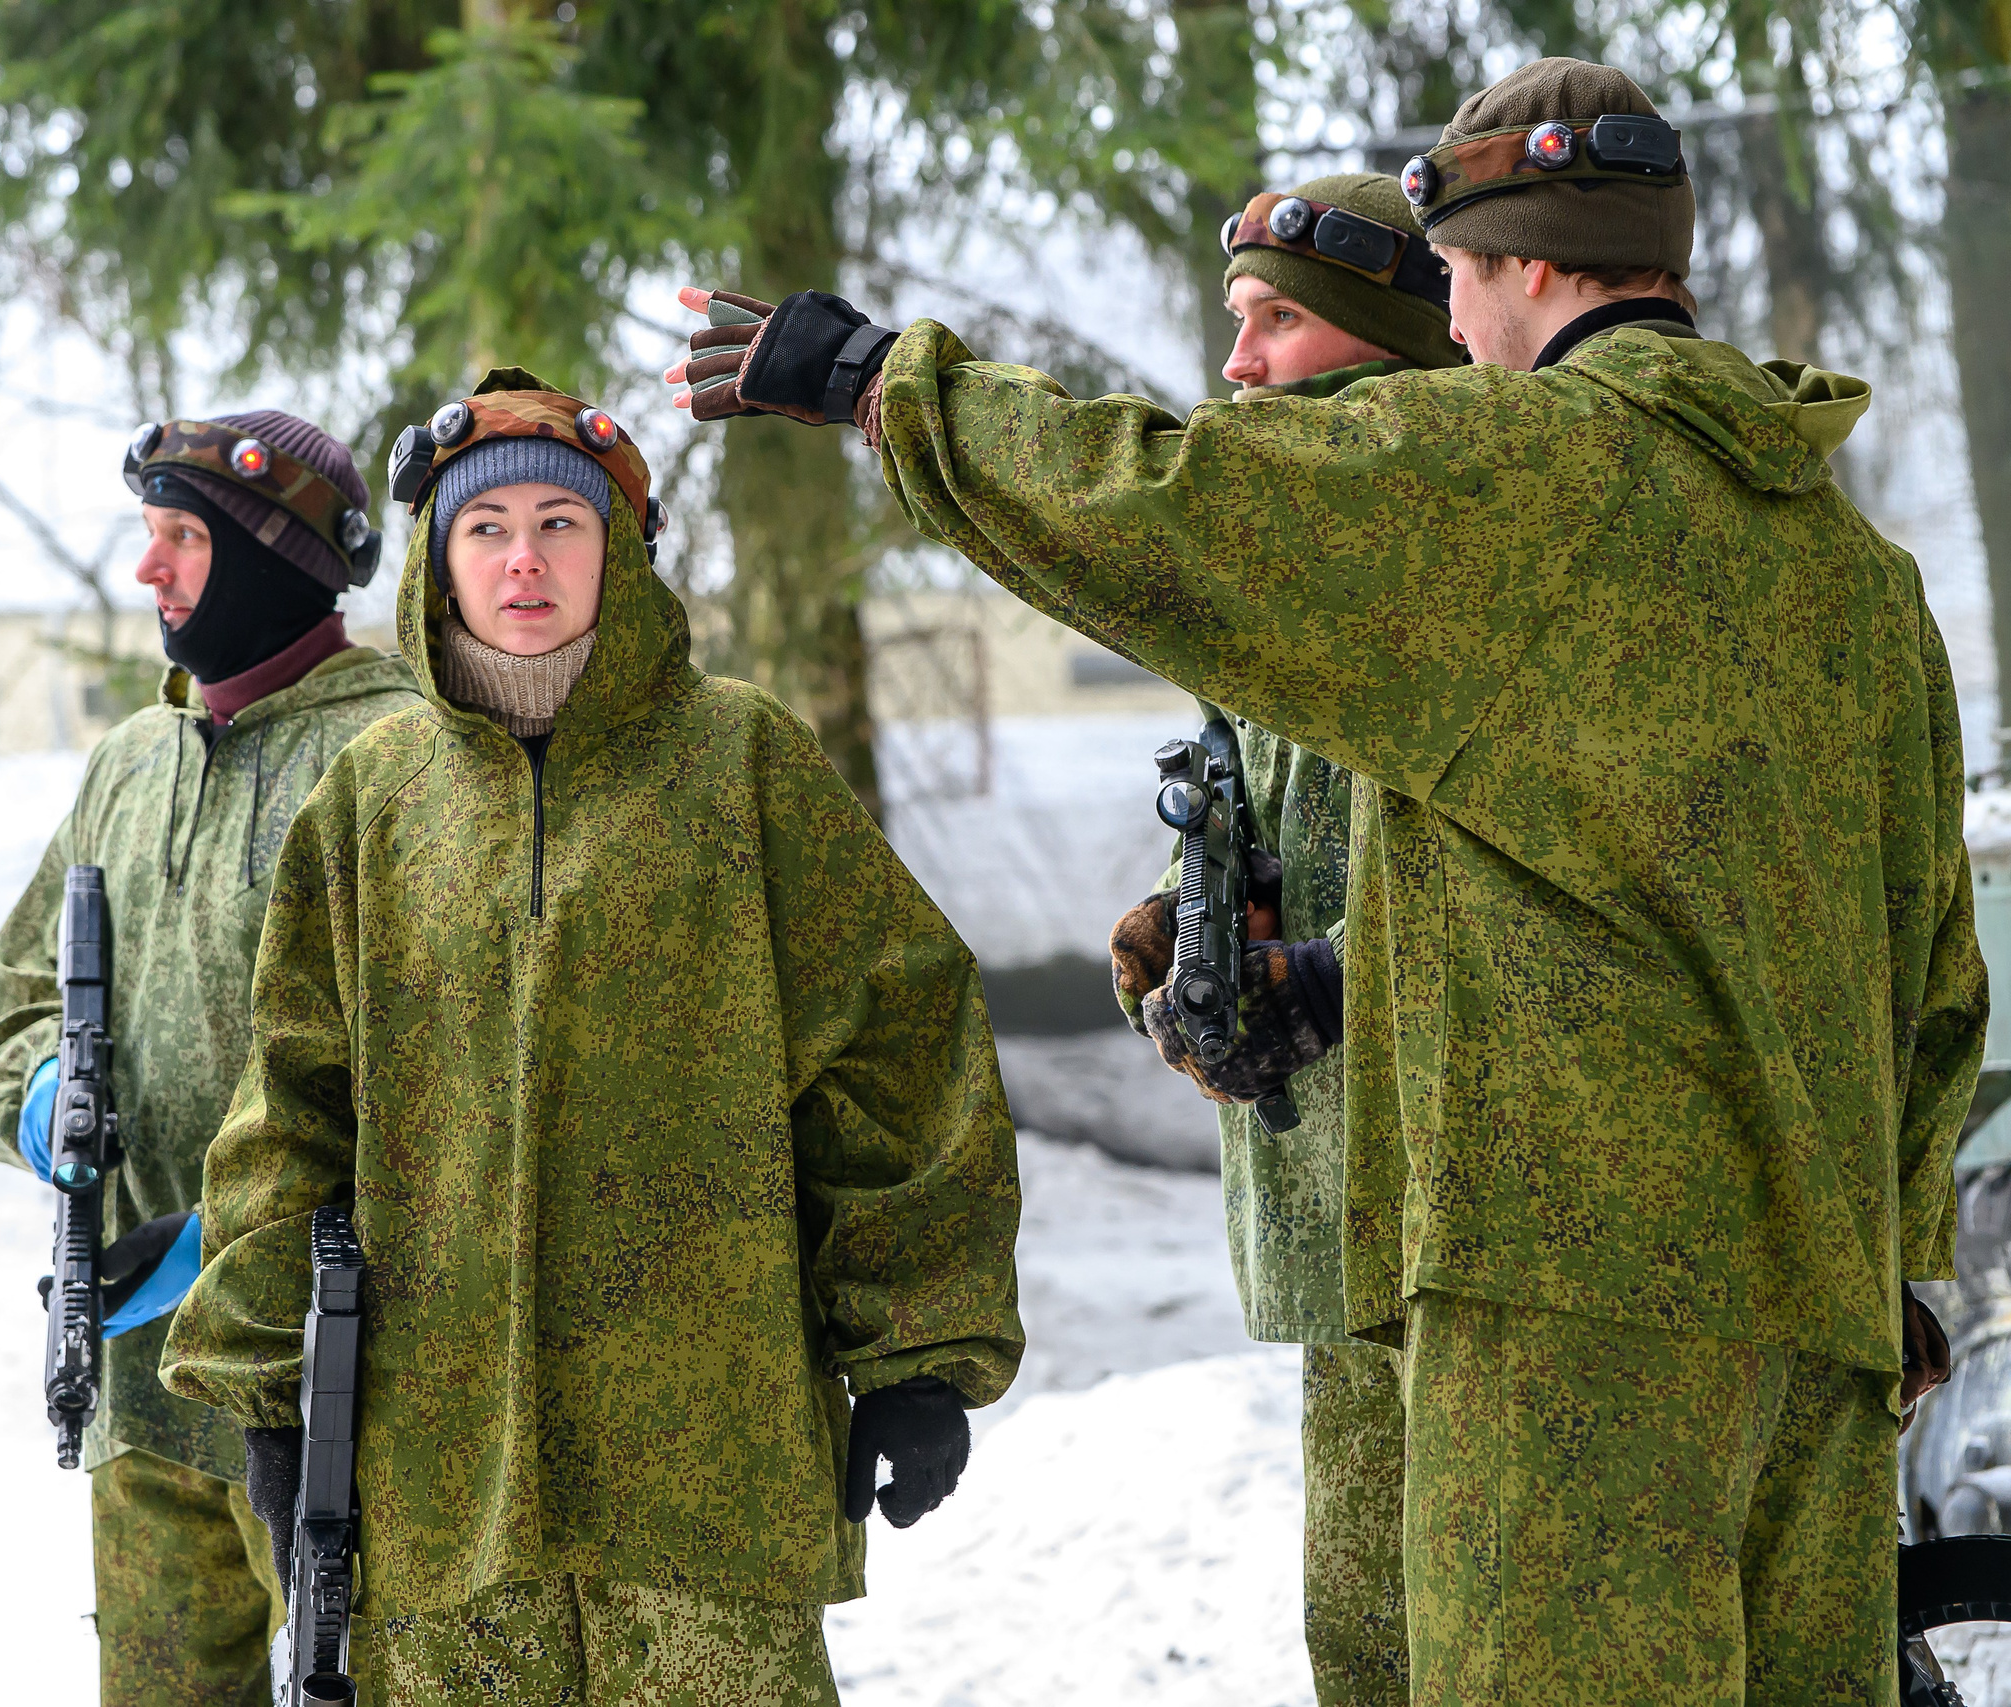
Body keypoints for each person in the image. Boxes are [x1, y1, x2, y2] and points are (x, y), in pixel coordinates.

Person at [669, 57, 1985, 1706]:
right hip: (1820, 1316)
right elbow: (1932, 965)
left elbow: (1174, 503)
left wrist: (885, 386)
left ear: (1519, 265)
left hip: (1570, 1303)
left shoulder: (1523, 472)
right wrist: (1903, 1273)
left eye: (1451, 274)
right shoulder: (1859, 578)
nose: (1449, 308)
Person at [159, 371, 1024, 1705]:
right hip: (441, 1487)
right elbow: (291, 1108)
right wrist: (275, 1399)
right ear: (440, 562)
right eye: (485, 527)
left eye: (560, 526)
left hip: (710, 1477)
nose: (524, 559)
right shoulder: (372, 803)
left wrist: (915, 1354)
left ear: (617, 547)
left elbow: (897, 1056)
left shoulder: (743, 765)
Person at [0, 409, 423, 1703]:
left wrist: (216, 1249)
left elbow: (439, 1098)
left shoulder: (397, 759)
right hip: (137, 1389)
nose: (147, 571)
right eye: (149, 535)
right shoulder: (129, 762)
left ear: (276, 560)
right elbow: (11, 1012)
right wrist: (46, 1096)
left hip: (324, 1387)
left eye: (179, 538)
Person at [1102, 169, 1464, 1707]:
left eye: (1278, 323)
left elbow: (1564, 900)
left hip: (1479, 1246)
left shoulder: (1460, 558)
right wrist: (1188, 951)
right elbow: (1284, 841)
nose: (1238, 366)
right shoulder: (1278, 586)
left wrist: (1340, 981)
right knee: (1368, 1653)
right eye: (1230, 324)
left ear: (1390, 343)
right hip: (1339, 1242)